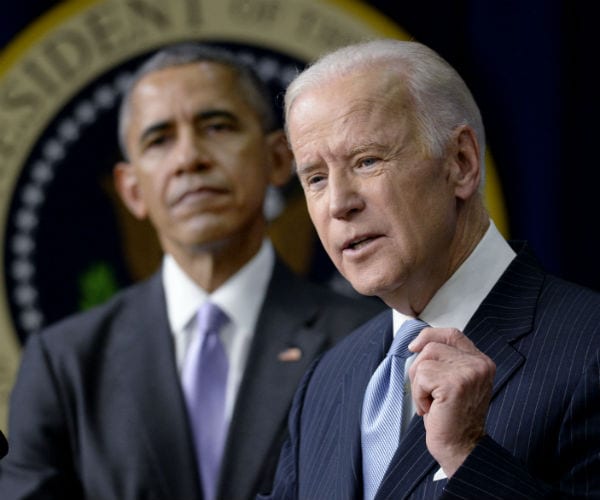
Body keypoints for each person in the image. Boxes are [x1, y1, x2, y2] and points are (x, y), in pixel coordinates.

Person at [0, 43, 383, 500]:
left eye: (217, 127)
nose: (190, 159)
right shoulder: (63, 363)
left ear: (280, 159)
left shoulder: (368, 342)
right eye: (159, 139)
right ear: (132, 189)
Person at [261, 39, 600, 499]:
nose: (339, 204)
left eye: (367, 161)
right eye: (316, 178)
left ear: (461, 163)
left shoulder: (589, 347)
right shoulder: (327, 381)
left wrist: (468, 456)